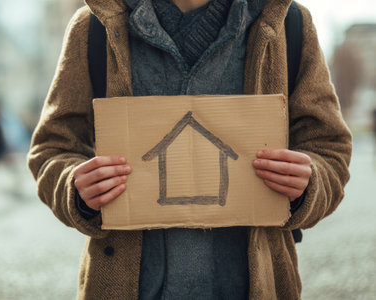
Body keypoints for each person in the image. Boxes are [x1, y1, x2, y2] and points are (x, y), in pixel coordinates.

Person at [28, 0, 352, 299]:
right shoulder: (96, 26)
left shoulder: (287, 24)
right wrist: (73, 186)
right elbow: (53, 147)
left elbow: (328, 147)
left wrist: (311, 182)